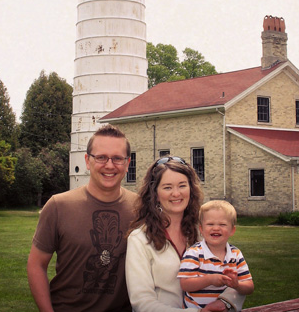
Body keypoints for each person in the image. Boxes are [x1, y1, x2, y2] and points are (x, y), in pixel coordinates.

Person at [27, 124, 137, 312]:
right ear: (87, 160)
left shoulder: (141, 208)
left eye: (117, 158)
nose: (109, 165)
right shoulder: (58, 206)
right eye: (101, 157)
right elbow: (36, 264)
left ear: (127, 163)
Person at [125, 157, 246, 312]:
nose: (176, 193)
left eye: (182, 185)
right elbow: (142, 303)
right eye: (167, 187)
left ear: (191, 189)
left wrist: (226, 302)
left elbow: (237, 275)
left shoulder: (203, 231)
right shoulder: (140, 239)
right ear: (154, 193)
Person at [178, 200, 254, 309]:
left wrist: (237, 285)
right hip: (197, 309)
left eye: (222, 224)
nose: (216, 228)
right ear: (201, 229)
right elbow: (185, 284)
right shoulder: (194, 253)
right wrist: (210, 279)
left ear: (232, 230)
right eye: (210, 224)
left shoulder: (235, 255)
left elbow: (249, 287)